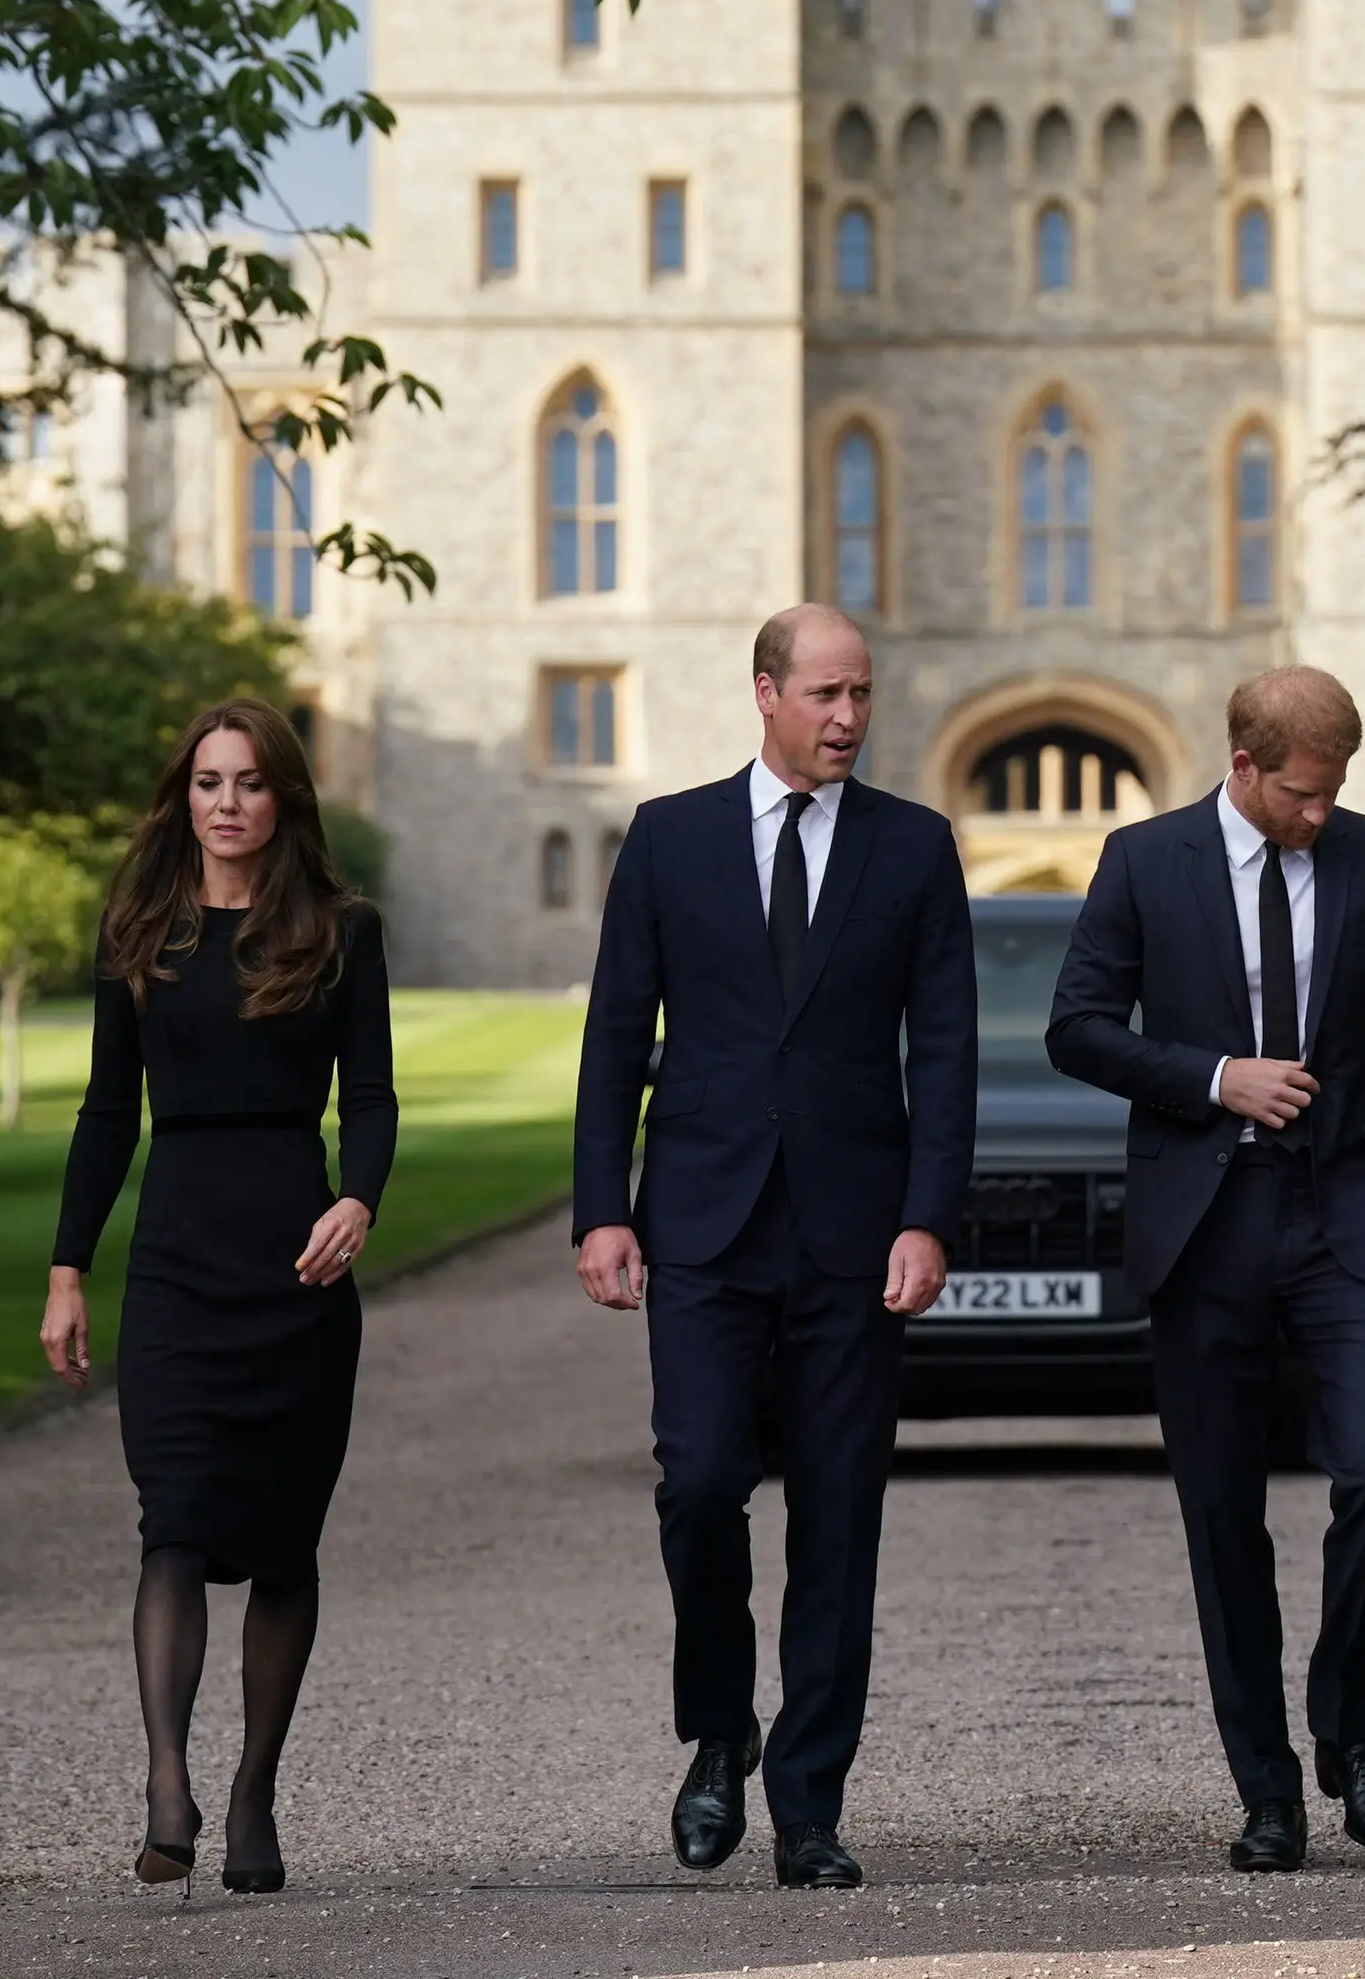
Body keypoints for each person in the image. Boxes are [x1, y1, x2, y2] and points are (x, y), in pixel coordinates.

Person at [1045, 667, 1365, 1874]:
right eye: (1300, 792)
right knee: (1223, 1514)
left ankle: (1345, 1729)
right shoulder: (1142, 859)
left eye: (1336, 789)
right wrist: (1214, 1074)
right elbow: (1075, 1026)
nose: (1320, 812)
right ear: (1241, 766)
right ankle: (1267, 1786)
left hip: (1340, 1212)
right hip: (1204, 1220)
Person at [571, 605, 976, 1890]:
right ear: (763, 693)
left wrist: (927, 1214)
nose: (848, 716)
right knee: (697, 1483)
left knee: (838, 1517)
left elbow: (949, 1052)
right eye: (824, 693)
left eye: (861, 692)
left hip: (853, 1237)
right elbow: (613, 1033)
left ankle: (807, 1801)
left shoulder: (914, 847)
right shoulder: (670, 837)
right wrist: (601, 1205)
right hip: (700, 1220)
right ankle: (716, 1729)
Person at [41, 697, 396, 1897]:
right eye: (206, 782)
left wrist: (360, 1200)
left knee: (285, 1541)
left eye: (248, 781)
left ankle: (253, 1793)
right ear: (182, 796)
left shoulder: (342, 930)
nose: (226, 802)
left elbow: (376, 1096)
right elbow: (103, 1112)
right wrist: (66, 1266)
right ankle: (166, 1782)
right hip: (178, 1264)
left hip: (296, 1267)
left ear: (282, 798)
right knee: (174, 1521)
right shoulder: (140, 928)